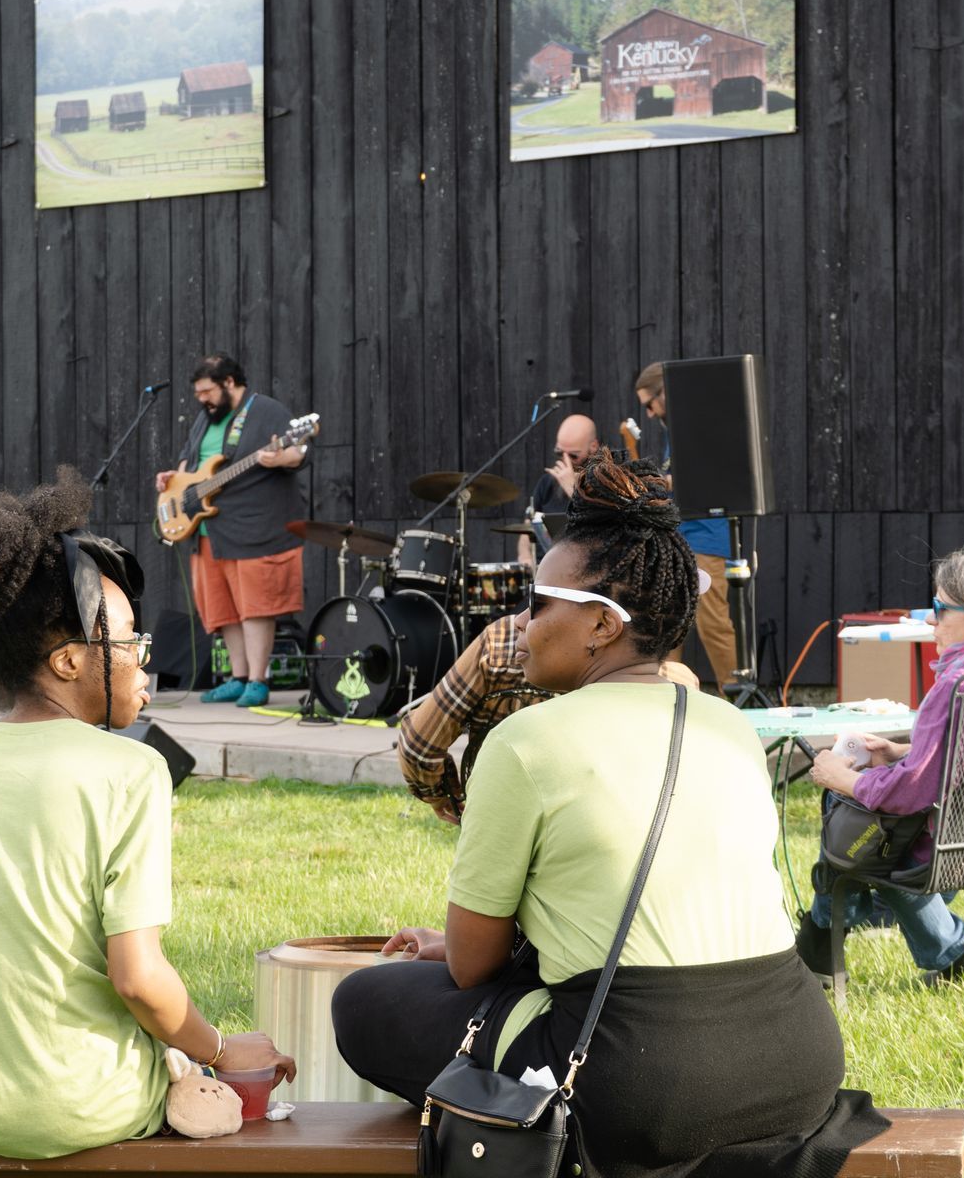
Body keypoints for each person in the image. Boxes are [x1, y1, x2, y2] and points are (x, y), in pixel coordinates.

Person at [337, 453, 887, 1178]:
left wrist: (475, 947)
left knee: (365, 1001)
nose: (522, 623)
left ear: (600, 624)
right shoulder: (727, 724)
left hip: (641, 1083)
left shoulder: (524, 743)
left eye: (539, 603)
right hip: (797, 1062)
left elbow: (472, 968)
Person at [0, 470, 294, 1159]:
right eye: (128, 640)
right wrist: (221, 1049)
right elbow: (139, 980)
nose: (141, 661)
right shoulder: (131, 771)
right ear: (70, 661)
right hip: (77, 1110)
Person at [799, 547, 964, 985]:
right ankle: (828, 944)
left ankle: (823, 941)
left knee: (859, 831)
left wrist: (841, 778)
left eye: (939, 608)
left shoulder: (957, 684)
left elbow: (910, 794)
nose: (931, 621)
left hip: (955, 851)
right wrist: (901, 752)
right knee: (873, 835)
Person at [395, 607, 700, 824]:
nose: (521, 620)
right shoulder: (674, 685)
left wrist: (445, 795)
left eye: (539, 598)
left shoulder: (501, 640)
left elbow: (418, 745)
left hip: (500, 821)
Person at [153, 353, 308, 708]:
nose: (202, 399)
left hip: (255, 527)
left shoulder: (267, 411)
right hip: (209, 531)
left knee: (256, 606)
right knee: (222, 609)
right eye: (198, 393)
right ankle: (238, 678)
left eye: (207, 391)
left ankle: (258, 680)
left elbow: (299, 451)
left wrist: (282, 458)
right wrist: (174, 480)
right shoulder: (205, 418)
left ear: (229, 383)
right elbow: (190, 460)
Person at [633, 362, 738, 687]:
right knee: (668, 624)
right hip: (682, 538)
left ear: (665, 391)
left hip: (706, 537)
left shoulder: (696, 423)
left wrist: (659, 483)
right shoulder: (675, 429)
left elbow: (705, 476)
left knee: (713, 625)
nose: (649, 413)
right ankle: (665, 696)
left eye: (650, 404)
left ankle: (737, 700)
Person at [516, 413, 600, 568]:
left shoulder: (605, 484)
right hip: (544, 568)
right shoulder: (547, 483)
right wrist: (525, 556)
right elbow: (527, 529)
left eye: (573, 455)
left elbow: (603, 531)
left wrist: (573, 490)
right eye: (560, 453)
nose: (565, 460)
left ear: (593, 447)